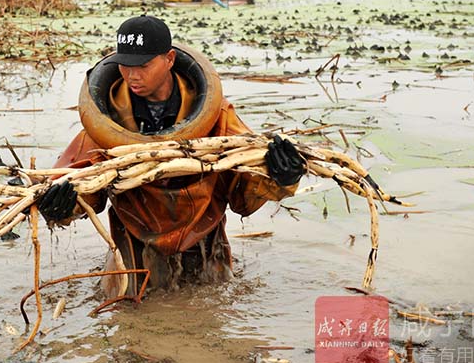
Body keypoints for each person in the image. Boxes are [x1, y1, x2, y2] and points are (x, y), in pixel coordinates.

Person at [38, 15, 305, 297]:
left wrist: (281, 176)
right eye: (125, 65)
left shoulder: (215, 116)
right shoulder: (106, 121)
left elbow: (244, 193)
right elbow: (80, 182)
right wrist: (61, 205)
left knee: (213, 305)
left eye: (143, 65)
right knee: (128, 308)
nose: (133, 76)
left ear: (169, 59)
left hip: (206, 239)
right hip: (134, 241)